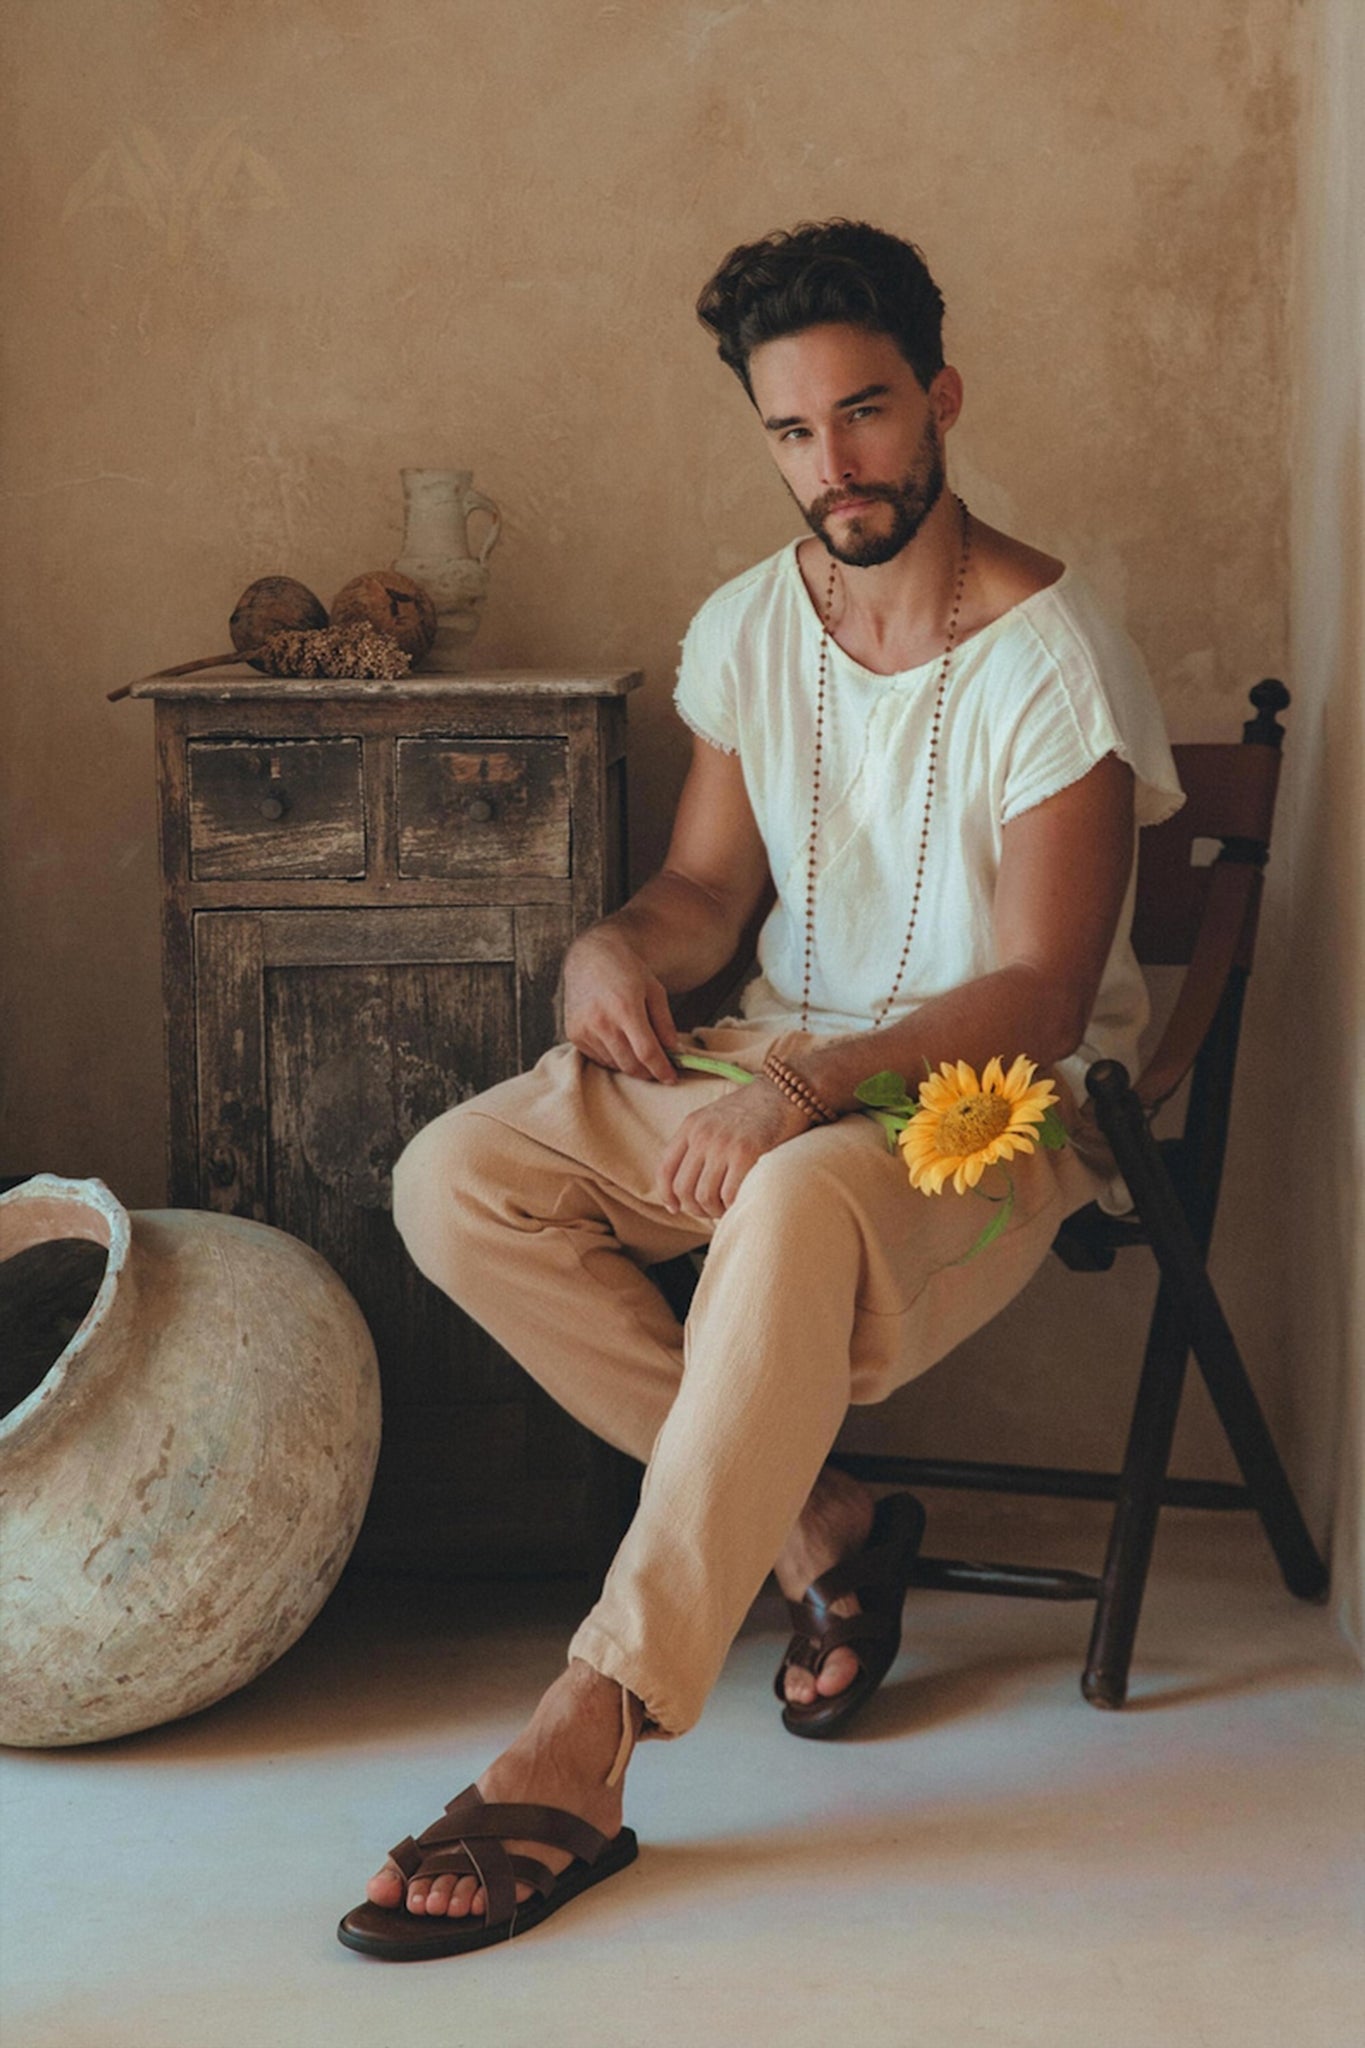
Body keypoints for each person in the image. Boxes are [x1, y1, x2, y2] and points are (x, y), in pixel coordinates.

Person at [337, 219, 1183, 1961]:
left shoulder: (1049, 651)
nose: (833, 465)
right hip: (773, 1056)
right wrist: (611, 947)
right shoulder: (747, 621)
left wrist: (802, 1092)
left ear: (939, 398)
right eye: (793, 431)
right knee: (454, 1178)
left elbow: (1032, 990)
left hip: (986, 1106)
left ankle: (589, 1729)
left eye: (865, 415)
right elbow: (705, 899)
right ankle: (818, 1519)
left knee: (790, 1198)